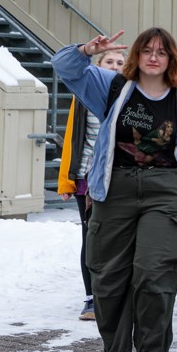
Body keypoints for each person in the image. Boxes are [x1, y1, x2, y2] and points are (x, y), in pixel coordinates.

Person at [51, 27, 177, 352]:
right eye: (147, 50)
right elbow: (64, 67)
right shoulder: (111, 88)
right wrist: (85, 50)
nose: (154, 57)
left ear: (171, 59)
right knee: (109, 277)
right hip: (115, 190)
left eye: (162, 52)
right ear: (136, 54)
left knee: (154, 275)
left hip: (164, 192)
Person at [58, 49, 126, 321]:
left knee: (119, 238)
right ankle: (92, 298)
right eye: (109, 62)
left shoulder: (131, 95)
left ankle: (116, 295)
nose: (115, 67)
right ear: (98, 66)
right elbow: (72, 138)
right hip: (87, 175)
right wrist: (67, 178)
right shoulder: (84, 95)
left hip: (120, 176)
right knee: (92, 236)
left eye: (120, 63)